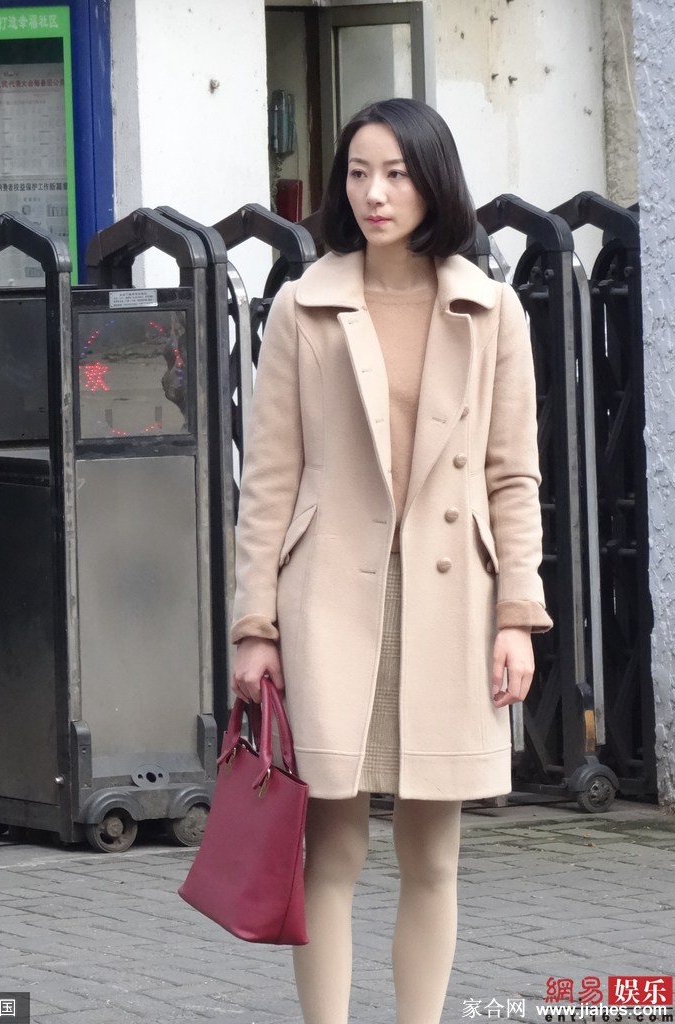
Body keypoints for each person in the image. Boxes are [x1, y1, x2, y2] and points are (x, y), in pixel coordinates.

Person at [230, 98, 552, 1024]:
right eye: (359, 174)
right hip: (328, 602)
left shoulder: (491, 310)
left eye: (397, 174)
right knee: (331, 849)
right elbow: (269, 480)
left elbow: (512, 475)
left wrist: (517, 614)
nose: (374, 194)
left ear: (433, 183)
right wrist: (255, 627)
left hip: (451, 602)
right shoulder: (305, 306)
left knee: (434, 854)